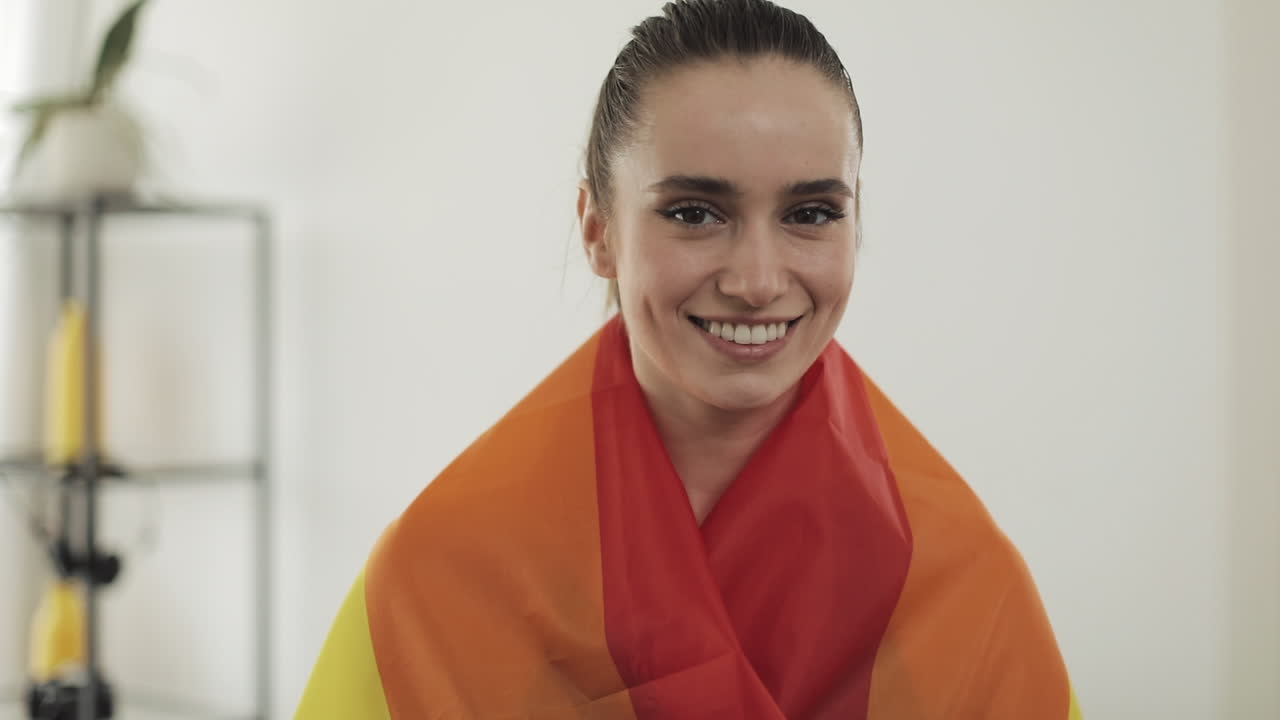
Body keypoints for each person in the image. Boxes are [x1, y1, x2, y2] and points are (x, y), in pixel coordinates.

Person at [294, 1, 1081, 718]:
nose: (757, 281)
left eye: (811, 213)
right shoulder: (438, 581)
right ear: (599, 231)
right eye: (695, 213)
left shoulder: (965, 586)